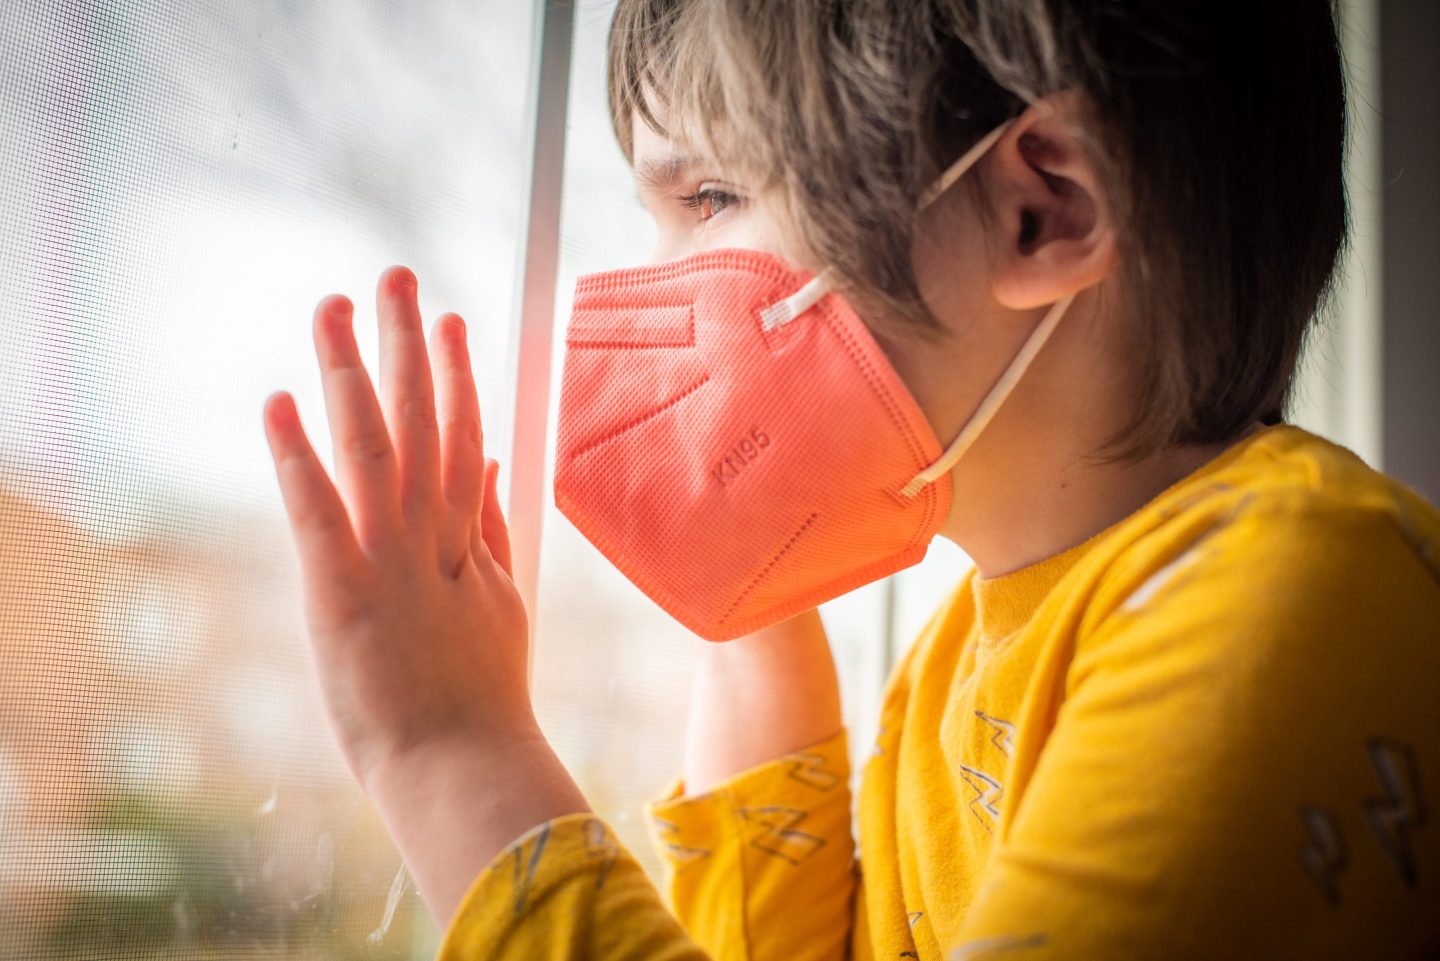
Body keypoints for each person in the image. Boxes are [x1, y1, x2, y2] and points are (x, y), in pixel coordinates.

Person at [261, 0, 1440, 957]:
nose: (655, 288)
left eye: (709, 199)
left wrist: (453, 758)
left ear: (1044, 209)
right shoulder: (958, 663)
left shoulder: (1292, 593)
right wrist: (751, 603)